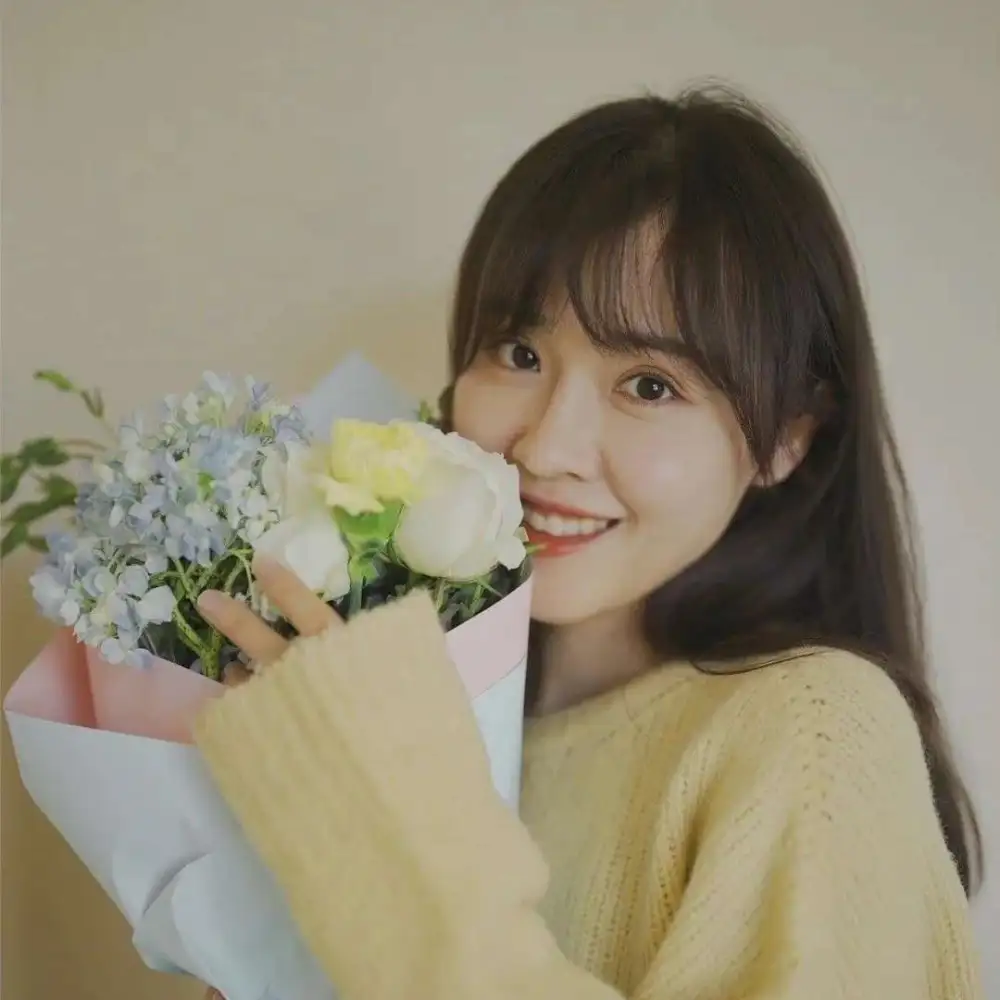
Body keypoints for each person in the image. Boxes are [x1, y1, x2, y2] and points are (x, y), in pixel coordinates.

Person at [196, 86, 985, 999]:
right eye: (519, 355)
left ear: (787, 439)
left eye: (650, 385)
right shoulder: (434, 704)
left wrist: (392, 837)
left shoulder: (811, 730)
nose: (544, 449)